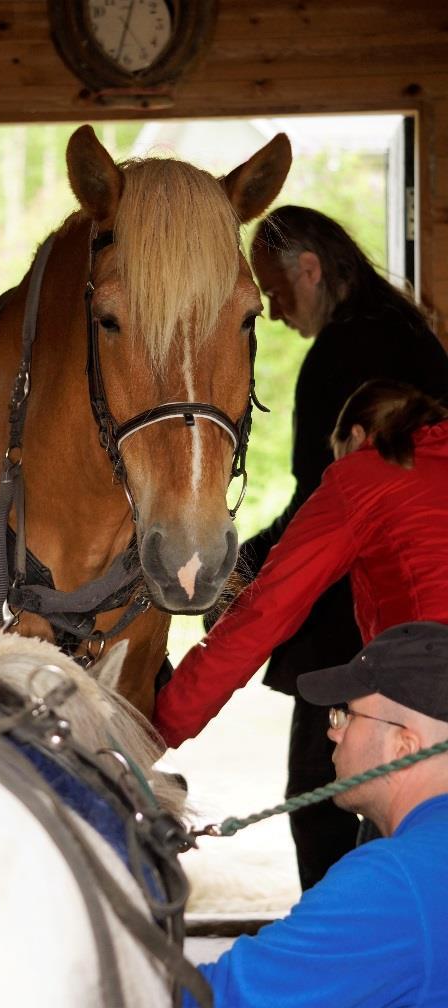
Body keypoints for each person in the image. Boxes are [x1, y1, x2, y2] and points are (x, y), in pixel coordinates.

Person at [221, 205, 448, 888]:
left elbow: (318, 506)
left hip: (353, 621)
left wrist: (244, 566)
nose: (277, 312)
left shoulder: (339, 356)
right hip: (415, 617)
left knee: (319, 795)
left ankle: (339, 944)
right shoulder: (416, 334)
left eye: (277, 292)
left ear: (311, 270)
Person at [154, 379, 448, 771]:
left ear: (357, 435)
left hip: (430, 700)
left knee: (396, 821)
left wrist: (159, 726)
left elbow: (267, 612)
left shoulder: (362, 476)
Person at [182, 620, 448, 1008]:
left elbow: (210, 1000)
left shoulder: (392, 880)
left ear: (404, 748)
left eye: (346, 715)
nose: (333, 732)